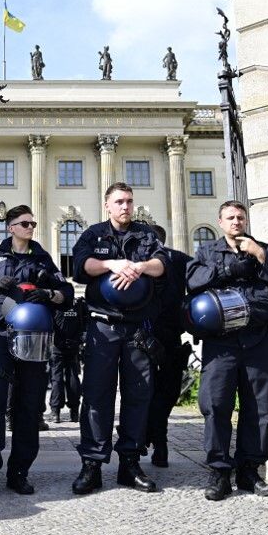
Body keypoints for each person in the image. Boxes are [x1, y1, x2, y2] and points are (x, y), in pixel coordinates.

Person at [186, 200, 268, 501]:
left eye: (240, 217)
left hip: (255, 340)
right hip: (220, 343)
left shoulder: (261, 248)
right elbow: (192, 281)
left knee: (260, 408)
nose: (236, 222)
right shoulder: (207, 252)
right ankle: (219, 472)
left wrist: (260, 255)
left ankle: (249, 471)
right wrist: (224, 269)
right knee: (216, 405)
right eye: (230, 218)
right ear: (220, 222)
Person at [0, 205, 73, 503]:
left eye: (32, 223)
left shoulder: (41, 257)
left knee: (28, 408)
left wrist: (50, 294)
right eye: (24, 223)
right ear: (10, 227)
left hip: (33, 338)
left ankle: (19, 472)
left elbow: (66, 292)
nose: (30, 228)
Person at [71, 182, 169, 495]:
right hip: (102, 326)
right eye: (119, 202)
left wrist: (138, 267)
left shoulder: (146, 234)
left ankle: (130, 463)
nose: (125, 207)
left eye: (129, 201)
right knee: (97, 395)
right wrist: (112, 264)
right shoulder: (93, 234)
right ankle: (92, 464)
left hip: (137, 327)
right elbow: (81, 266)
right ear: (107, 206)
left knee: (138, 395)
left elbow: (162, 263)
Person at [144, 224, 191, 469]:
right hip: (156, 336)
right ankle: (156, 443)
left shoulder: (174, 259)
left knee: (156, 394)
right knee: (161, 394)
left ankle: (152, 438)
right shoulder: (179, 259)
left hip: (155, 336)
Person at [48, 298, 84, 424]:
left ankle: (55, 412)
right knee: (73, 377)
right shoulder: (78, 304)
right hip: (73, 345)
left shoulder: (53, 304)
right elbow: (83, 325)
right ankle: (74, 412)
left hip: (57, 346)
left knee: (56, 378)